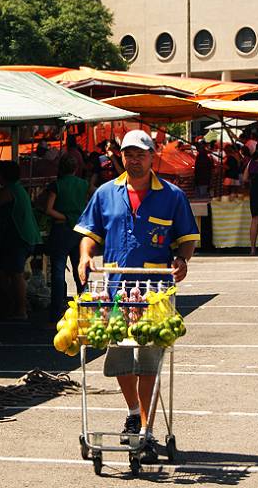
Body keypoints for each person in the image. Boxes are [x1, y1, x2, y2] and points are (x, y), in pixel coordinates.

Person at [74, 129, 199, 465]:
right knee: (118, 359)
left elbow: (187, 238)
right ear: (122, 157)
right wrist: (86, 256)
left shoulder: (172, 196)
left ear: (152, 155)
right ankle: (133, 412)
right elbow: (89, 234)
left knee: (148, 360)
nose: (134, 159)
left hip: (154, 291)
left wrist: (182, 259)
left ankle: (147, 427)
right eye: (128, 154)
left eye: (140, 153)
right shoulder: (105, 193)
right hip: (115, 288)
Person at [0, 161, 41, 319]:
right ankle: (13, 306)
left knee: (16, 273)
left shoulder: (9, 190)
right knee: (5, 272)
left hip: (19, 237)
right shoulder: (18, 188)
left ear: (4, 175)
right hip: (25, 236)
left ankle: (21, 310)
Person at [43, 154, 89, 322]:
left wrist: (63, 216)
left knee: (57, 273)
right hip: (79, 231)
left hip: (60, 231)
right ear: (76, 169)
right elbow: (93, 201)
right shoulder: (83, 184)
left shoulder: (56, 185)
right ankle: (85, 309)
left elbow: (48, 209)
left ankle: (55, 314)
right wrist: (75, 216)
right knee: (81, 272)